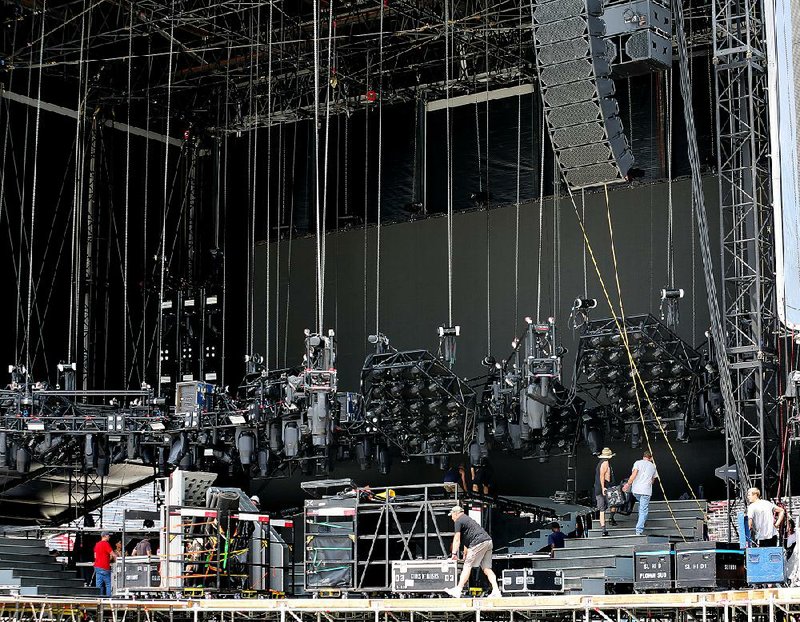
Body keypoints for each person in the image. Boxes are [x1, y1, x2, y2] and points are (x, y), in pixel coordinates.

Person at [444, 505, 502, 598]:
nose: (451, 517)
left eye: (452, 515)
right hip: (487, 541)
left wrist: (454, 554)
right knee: (487, 568)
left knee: (467, 566)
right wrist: (466, 553)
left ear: (456, 513)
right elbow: (468, 539)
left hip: (478, 543)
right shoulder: (467, 519)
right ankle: (496, 591)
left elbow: (457, 539)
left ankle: (458, 590)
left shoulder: (458, 521)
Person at [622, 450, 659, 535]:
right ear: (651, 458)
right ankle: (639, 530)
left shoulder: (637, 463)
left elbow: (634, 474)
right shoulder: (653, 466)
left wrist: (628, 484)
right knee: (643, 510)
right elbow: (652, 481)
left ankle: (642, 521)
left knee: (641, 506)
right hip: (646, 491)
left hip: (636, 490)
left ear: (644, 456)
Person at [594, 447, 617, 536]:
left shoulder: (600, 463)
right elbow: (602, 476)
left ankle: (604, 529)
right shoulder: (605, 463)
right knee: (614, 502)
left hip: (599, 487)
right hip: (605, 487)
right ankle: (611, 519)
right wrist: (603, 487)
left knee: (602, 509)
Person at [93, 532, 116, 597]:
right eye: (108, 536)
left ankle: (99, 599)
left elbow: (95, 556)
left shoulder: (97, 544)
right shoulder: (106, 544)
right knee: (108, 584)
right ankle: (108, 599)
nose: (109, 537)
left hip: (97, 567)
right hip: (105, 567)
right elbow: (113, 554)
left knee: (99, 585)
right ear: (105, 536)